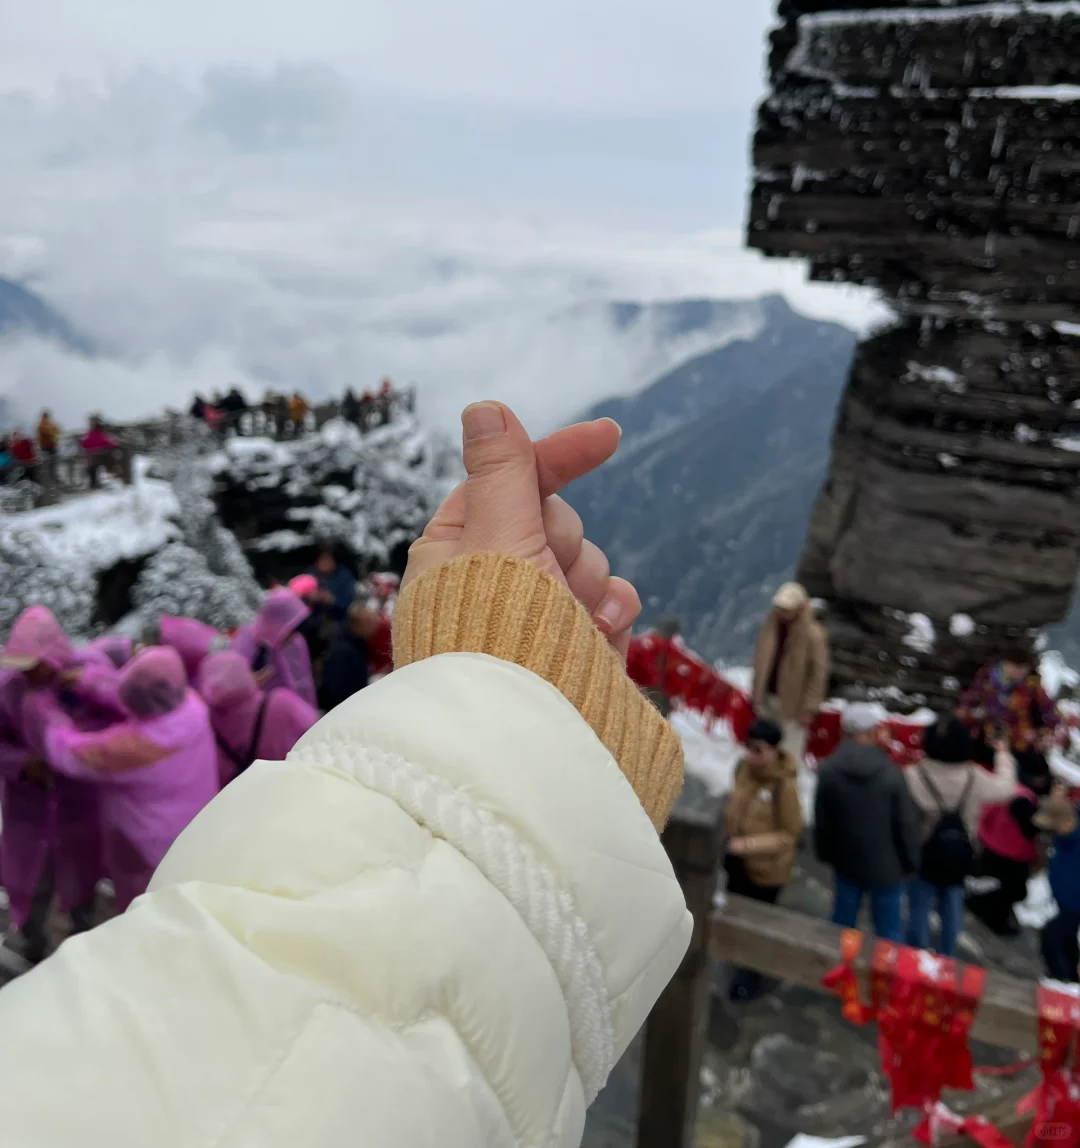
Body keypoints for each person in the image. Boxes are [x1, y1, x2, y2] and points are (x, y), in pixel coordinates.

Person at [0, 399, 689, 1146]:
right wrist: (512, 756)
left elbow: (228, 1049)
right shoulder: (210, 712)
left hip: (168, 845)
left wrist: (488, 722)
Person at [22, 646, 218, 912]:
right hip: (192, 827)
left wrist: (45, 711)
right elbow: (140, 696)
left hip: (146, 845)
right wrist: (89, 681)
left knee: (146, 907)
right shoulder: (190, 705)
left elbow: (67, 752)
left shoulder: (135, 748)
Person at [0, 608, 107, 968]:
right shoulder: (8, 690)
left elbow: (113, 725)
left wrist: (75, 753)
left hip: (80, 804)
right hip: (28, 809)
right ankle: (31, 946)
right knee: (31, 882)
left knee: (81, 878)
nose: (29, 673)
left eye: (35, 665)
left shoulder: (84, 681)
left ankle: (83, 950)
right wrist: (22, 763)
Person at [903, 717, 1016, 957]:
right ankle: (947, 956)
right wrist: (1002, 753)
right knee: (952, 904)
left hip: (923, 852)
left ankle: (916, 954)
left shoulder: (914, 775)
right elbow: (1006, 788)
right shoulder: (974, 777)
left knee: (918, 906)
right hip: (960, 854)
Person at [814, 701, 920, 942]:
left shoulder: (829, 769)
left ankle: (838, 963)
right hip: (887, 867)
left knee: (841, 927)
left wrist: (826, 854)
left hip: (846, 861)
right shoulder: (891, 773)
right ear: (871, 733)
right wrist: (911, 861)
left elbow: (823, 820)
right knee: (888, 932)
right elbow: (905, 822)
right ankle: (886, 966)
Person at [723, 717, 803, 1000]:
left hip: (766, 870)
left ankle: (751, 976)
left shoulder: (784, 786)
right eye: (749, 748)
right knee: (736, 914)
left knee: (757, 926)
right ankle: (736, 960)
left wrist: (748, 844)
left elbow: (789, 834)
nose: (751, 755)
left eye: (758, 750)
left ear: (773, 750)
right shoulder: (744, 770)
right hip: (737, 862)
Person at [199, 650, 318, 788]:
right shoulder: (281, 704)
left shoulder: (202, 721)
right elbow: (320, 730)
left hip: (240, 797)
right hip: (291, 788)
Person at [967, 750, 1051, 937]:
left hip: (991, 840)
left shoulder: (1008, 786)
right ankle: (992, 916)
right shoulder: (1025, 799)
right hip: (1012, 851)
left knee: (990, 880)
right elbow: (1030, 828)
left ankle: (979, 904)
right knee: (1013, 890)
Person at [752, 582, 829, 762]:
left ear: (799, 608)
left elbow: (818, 674)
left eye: (787, 609)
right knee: (762, 749)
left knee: (788, 755)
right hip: (768, 698)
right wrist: (756, 691)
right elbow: (760, 658)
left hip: (794, 706)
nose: (782, 612)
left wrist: (809, 708)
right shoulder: (770, 627)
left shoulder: (813, 635)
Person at [957, 649, 1060, 759]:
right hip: (983, 737)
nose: (1017, 672)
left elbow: (1050, 714)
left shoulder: (1032, 688)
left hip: (1018, 745)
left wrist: (1039, 734)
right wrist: (972, 715)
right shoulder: (987, 680)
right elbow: (967, 703)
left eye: (1022, 668)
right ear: (1004, 664)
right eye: (1013, 666)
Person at [232, 589, 317, 707]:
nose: (292, 637)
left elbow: (303, 682)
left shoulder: (295, 643)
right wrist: (248, 686)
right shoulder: (245, 644)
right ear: (275, 622)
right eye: (290, 629)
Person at [1037, 783, 1080, 982]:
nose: (1051, 832)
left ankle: (1059, 979)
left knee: (1050, 936)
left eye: (1054, 827)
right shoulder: (1065, 836)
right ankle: (1071, 978)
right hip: (1065, 900)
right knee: (1068, 940)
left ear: (1068, 823)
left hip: (1075, 903)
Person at [319, 599, 378, 712]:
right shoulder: (343, 651)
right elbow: (337, 690)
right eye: (370, 623)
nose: (375, 627)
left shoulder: (357, 641)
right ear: (359, 625)